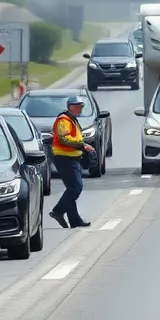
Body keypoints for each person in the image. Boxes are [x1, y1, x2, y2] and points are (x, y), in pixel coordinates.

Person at [49, 96, 93, 228]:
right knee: (75, 187)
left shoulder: (71, 119)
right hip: (64, 157)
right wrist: (82, 145)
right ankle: (58, 211)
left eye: (81, 106)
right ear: (70, 107)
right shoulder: (64, 120)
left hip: (72, 157)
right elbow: (64, 139)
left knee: (71, 188)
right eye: (77, 106)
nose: (80, 108)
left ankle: (74, 220)